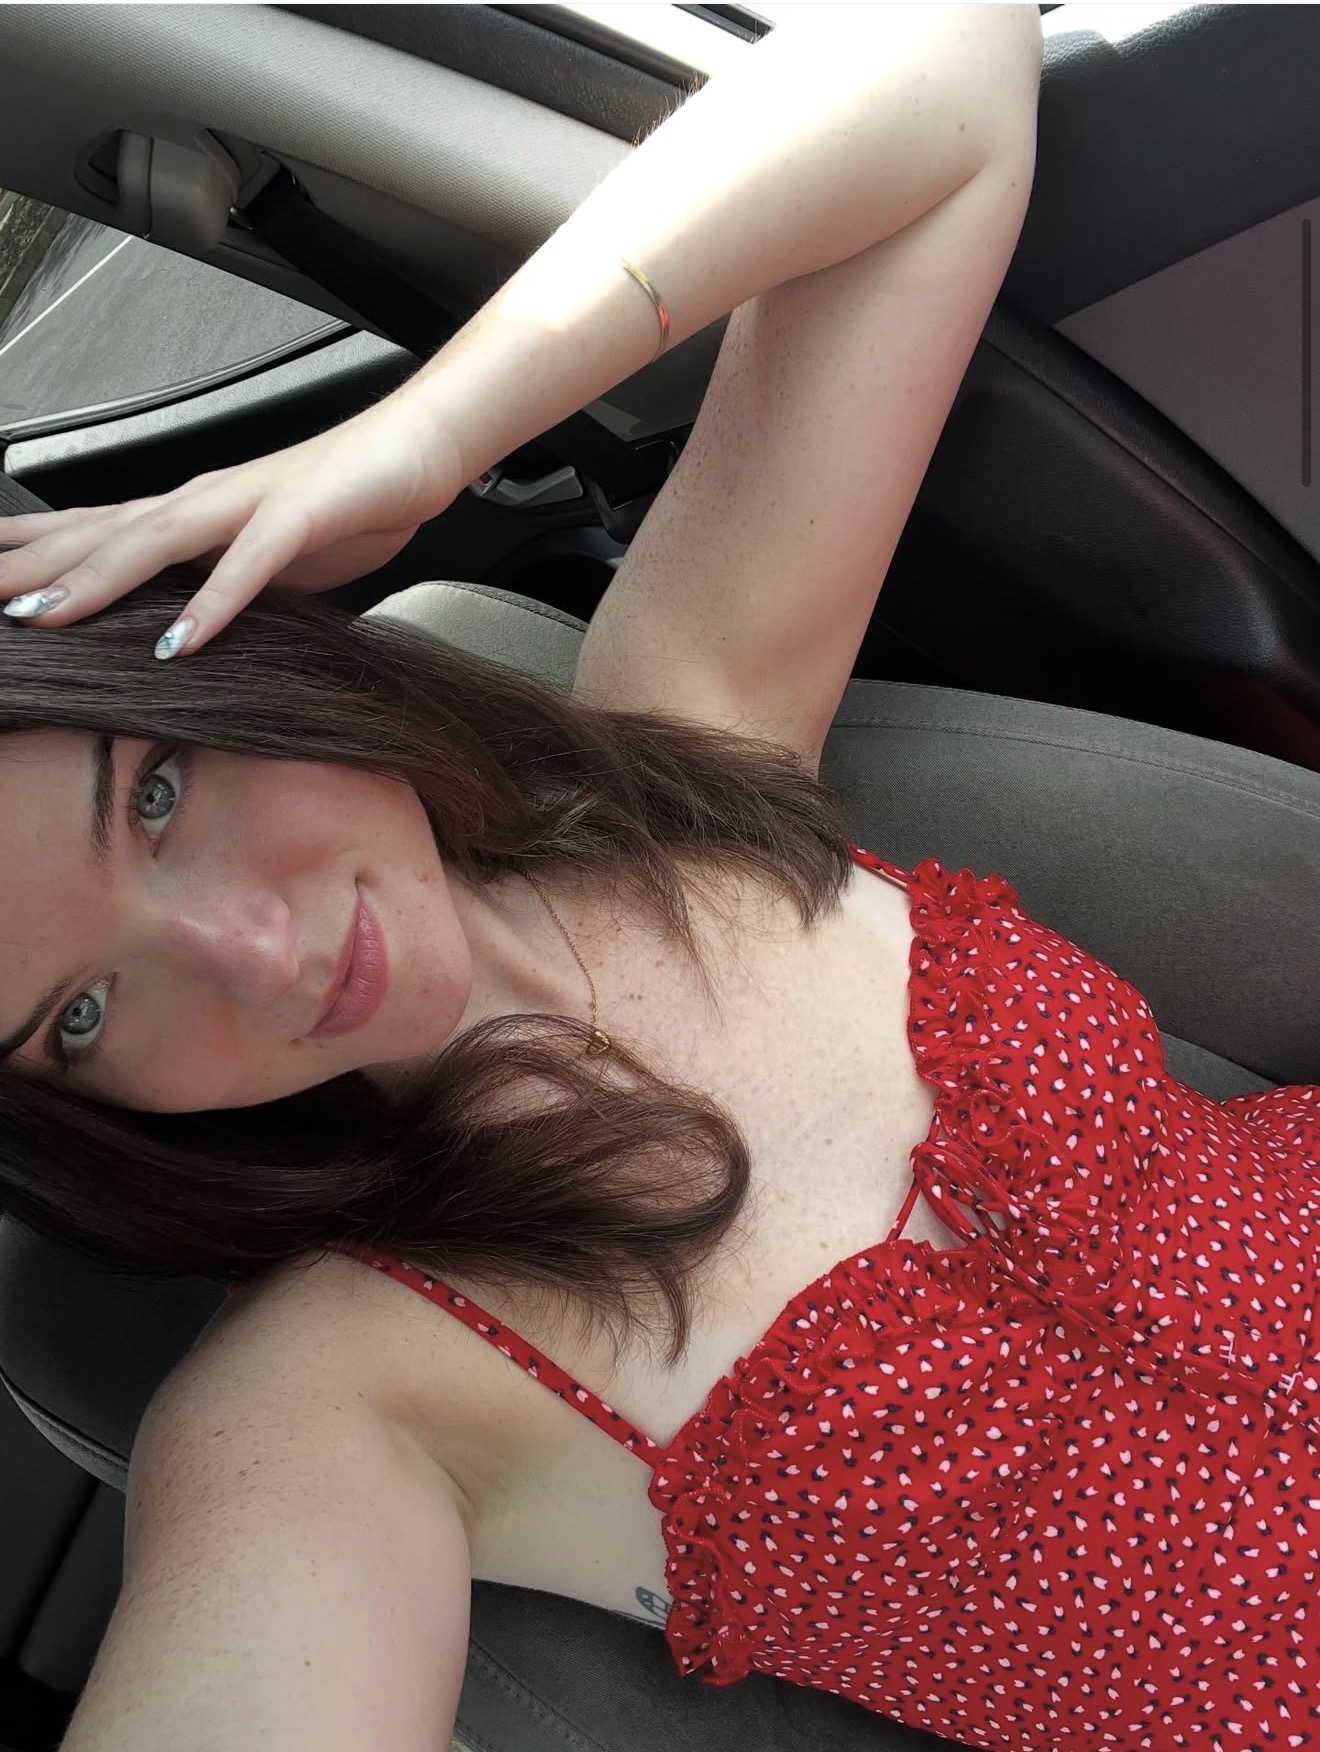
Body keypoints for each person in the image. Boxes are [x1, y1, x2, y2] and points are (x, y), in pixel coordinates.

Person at [0, 7, 1316, 1750]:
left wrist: (420, 439)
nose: (252, 952)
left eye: (158, 795)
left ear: (228, 669)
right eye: (82, 1014)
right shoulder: (338, 1398)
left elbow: (942, 49)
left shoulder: (681, 752)